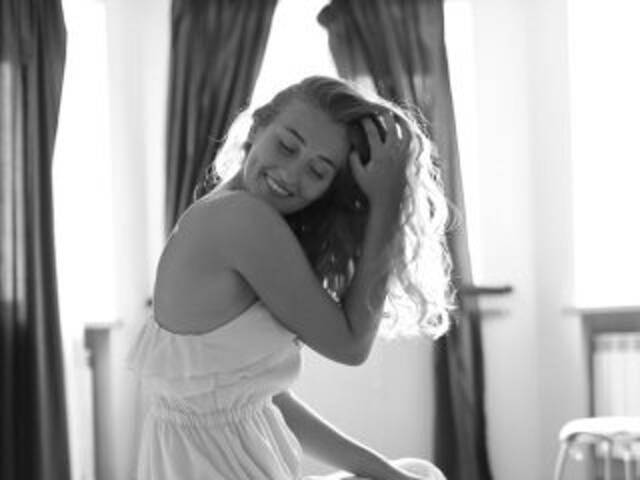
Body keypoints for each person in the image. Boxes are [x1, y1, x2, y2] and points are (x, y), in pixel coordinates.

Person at [127, 76, 454, 480]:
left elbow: (263, 400)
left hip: (226, 467)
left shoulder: (230, 212)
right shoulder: (240, 218)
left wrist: (386, 472)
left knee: (416, 472)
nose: (290, 174)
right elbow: (351, 345)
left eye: (317, 170)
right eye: (287, 146)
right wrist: (387, 200)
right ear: (257, 127)